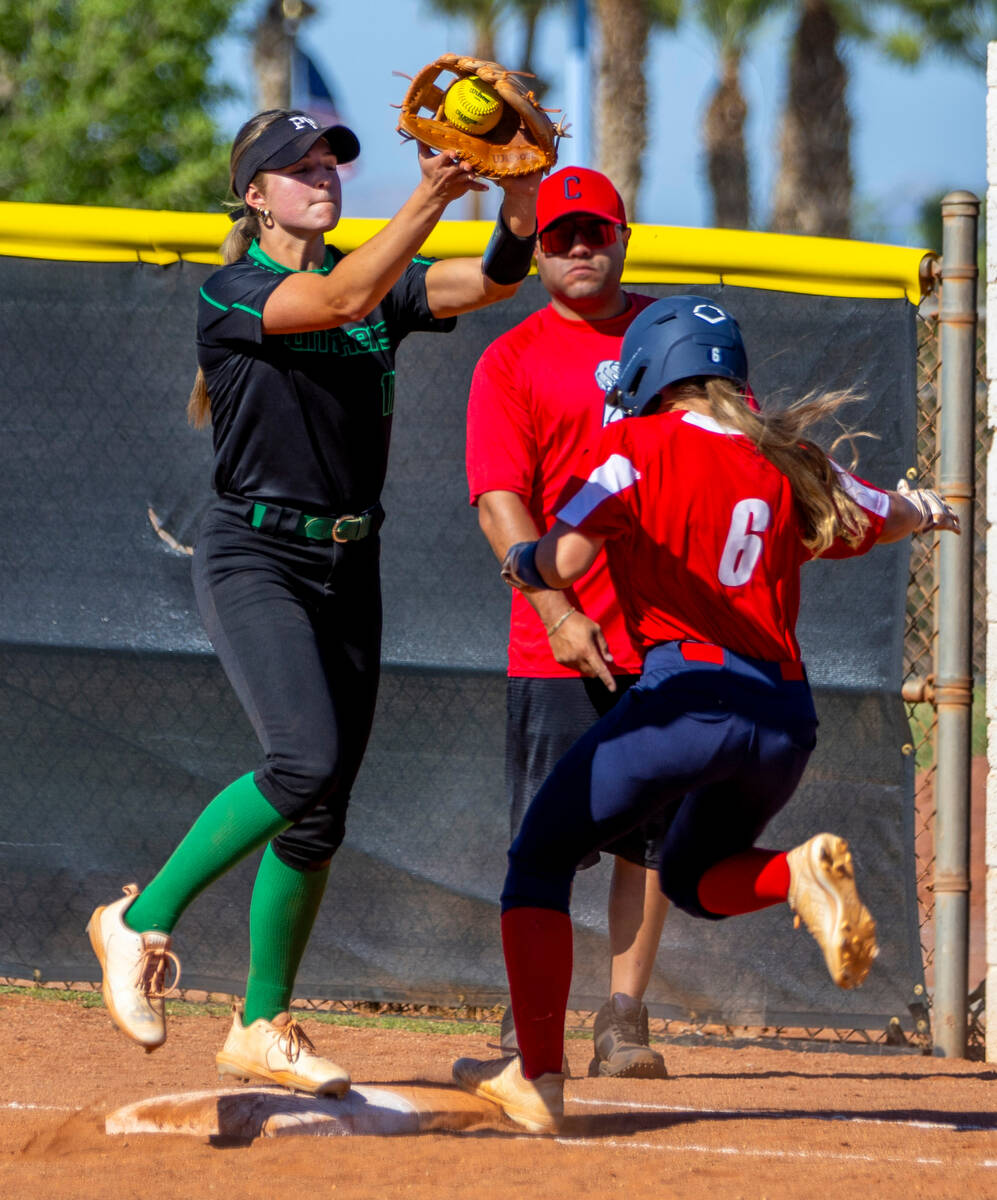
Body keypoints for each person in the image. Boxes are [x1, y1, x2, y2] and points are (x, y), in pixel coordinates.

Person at [87, 108, 542, 1096]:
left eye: (330, 161)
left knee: (319, 810)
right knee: (302, 760)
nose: (322, 176)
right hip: (256, 550)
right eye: (296, 168)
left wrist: (514, 188)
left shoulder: (383, 285)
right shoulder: (234, 288)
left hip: (349, 563)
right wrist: (432, 192)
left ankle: (260, 1022)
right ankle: (138, 919)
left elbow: (498, 278)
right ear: (253, 198)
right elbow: (335, 297)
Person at [453, 294, 960, 1133]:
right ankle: (793, 871)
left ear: (652, 371)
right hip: (782, 719)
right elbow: (884, 513)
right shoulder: (787, 458)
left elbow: (564, 559)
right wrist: (932, 510)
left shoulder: (631, 447)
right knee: (691, 877)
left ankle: (537, 1078)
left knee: (538, 862)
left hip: (684, 701)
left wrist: (521, 558)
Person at [468, 167, 741, 1078]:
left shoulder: (680, 334)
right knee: (543, 836)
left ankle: (623, 1016)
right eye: (558, 235)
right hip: (558, 641)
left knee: (656, 840)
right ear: (534, 249)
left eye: (595, 231)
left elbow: (733, 457)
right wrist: (552, 607)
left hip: (673, 632)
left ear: (623, 237)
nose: (578, 247)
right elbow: (499, 498)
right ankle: (530, 1011)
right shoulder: (510, 359)